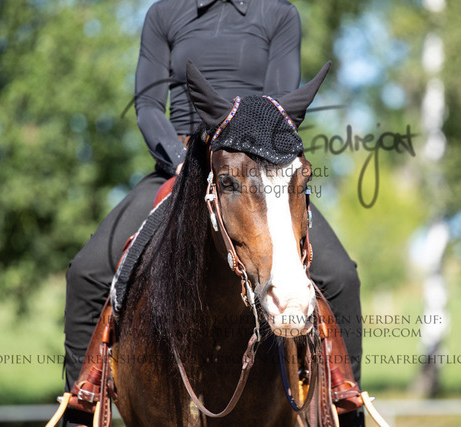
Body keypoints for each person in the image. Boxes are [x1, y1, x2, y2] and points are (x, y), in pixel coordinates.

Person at [62, 0, 363, 425]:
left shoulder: (278, 14)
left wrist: (239, 165)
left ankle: (347, 402)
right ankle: (82, 400)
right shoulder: (164, 14)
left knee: (341, 276)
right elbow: (148, 107)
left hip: (252, 171)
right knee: (87, 271)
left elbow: (277, 111)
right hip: (179, 163)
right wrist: (183, 165)